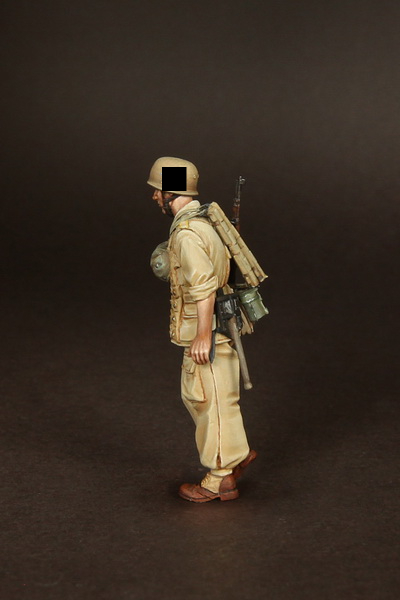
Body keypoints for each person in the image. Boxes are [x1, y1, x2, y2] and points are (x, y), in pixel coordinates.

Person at [148, 156, 256, 502]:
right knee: (210, 396)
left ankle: (219, 478)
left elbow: (204, 287)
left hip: (208, 330)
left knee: (208, 400)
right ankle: (236, 454)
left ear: (171, 192)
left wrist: (203, 335)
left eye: (158, 190)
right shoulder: (206, 221)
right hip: (217, 325)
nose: (155, 196)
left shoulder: (188, 234)